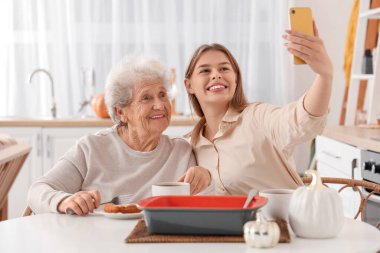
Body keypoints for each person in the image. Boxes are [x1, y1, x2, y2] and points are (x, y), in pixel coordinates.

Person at [28, 56, 212, 215]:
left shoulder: (181, 151)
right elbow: (37, 191)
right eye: (146, 98)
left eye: (163, 95)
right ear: (121, 112)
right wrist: (64, 201)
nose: (160, 104)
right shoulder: (91, 148)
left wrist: (206, 177)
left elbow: (206, 203)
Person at [183, 22, 332, 195]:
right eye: (205, 71)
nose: (216, 75)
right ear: (189, 85)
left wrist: (324, 76)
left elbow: (302, 120)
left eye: (224, 68)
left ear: (236, 79)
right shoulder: (190, 146)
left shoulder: (258, 118)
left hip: (285, 221)